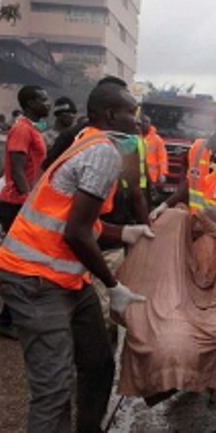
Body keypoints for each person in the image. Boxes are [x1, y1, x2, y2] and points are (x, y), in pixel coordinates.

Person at [0, 82, 153, 432]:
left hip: (66, 277)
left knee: (98, 363)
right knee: (53, 392)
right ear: (112, 116)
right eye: (132, 112)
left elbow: (79, 220)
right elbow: (76, 233)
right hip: (35, 280)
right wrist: (114, 285)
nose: (137, 120)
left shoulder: (88, 138)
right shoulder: (103, 152)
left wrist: (124, 232)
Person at [150, 102, 216, 235]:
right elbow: (190, 183)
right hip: (196, 231)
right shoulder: (197, 148)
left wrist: (205, 226)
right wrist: (165, 205)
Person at [0, 86, 49, 338]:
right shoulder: (21, 129)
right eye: (44, 100)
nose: (48, 104)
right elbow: (17, 169)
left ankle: (11, 316)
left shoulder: (30, 129)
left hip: (25, 202)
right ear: (30, 103)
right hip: (17, 203)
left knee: (25, 260)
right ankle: (7, 319)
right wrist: (29, 202)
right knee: (21, 261)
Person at [140, 114, 168, 186]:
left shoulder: (157, 140)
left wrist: (162, 173)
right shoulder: (134, 138)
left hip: (151, 178)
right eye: (143, 122)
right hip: (136, 176)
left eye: (146, 122)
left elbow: (162, 158)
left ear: (150, 124)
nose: (144, 124)